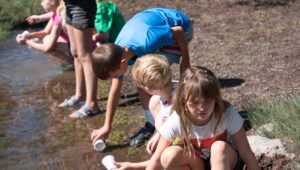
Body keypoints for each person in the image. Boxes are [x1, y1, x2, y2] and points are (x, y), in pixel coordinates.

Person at [90, 8, 193, 147]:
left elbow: (179, 31)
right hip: (153, 28)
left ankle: (169, 123)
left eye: (116, 75)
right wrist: (106, 126)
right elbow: (114, 92)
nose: (117, 78)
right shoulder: (117, 53)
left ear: (122, 63)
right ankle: (153, 124)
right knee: (143, 81)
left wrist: (185, 61)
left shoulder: (147, 40)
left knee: (152, 79)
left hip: (179, 28)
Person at [146, 66, 260, 170]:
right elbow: (156, 159)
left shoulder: (226, 113)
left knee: (219, 147)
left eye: (207, 101)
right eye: (195, 102)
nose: (201, 108)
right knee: (168, 156)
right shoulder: (178, 119)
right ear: (184, 101)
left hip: (226, 162)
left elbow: (245, 151)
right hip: (196, 163)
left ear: (215, 98)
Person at [114, 54, 177, 170]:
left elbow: (157, 160)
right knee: (154, 102)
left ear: (148, 89)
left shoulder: (178, 103)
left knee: (165, 157)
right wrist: (158, 134)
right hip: (171, 138)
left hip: (187, 147)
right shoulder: (164, 95)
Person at [57, 0, 100, 118]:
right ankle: (79, 95)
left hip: (82, 5)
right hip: (69, 5)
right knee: (75, 52)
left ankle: (92, 105)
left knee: (85, 54)